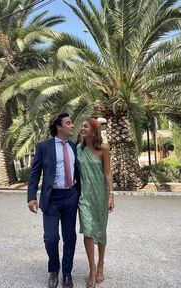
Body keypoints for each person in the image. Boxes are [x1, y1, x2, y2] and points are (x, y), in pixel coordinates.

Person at [27, 112, 80, 288]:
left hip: (70, 196)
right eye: (69, 123)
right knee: (50, 238)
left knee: (70, 237)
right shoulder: (44, 147)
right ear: (59, 126)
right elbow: (35, 172)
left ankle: (66, 273)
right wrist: (31, 196)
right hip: (51, 198)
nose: (72, 125)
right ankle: (53, 270)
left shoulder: (74, 146)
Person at [77, 117, 115, 288]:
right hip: (84, 197)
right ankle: (92, 268)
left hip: (100, 195)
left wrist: (111, 195)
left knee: (100, 230)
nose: (82, 129)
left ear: (93, 130)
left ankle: (101, 265)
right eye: (81, 126)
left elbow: (107, 173)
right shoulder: (77, 149)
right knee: (88, 231)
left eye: (85, 126)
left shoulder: (103, 150)